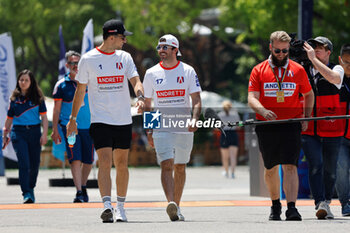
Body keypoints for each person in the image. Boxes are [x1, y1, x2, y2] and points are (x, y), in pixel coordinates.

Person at [66, 19, 144, 223]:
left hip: (123, 119)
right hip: (100, 120)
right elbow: (80, 90)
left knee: (122, 164)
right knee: (105, 162)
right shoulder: (88, 59)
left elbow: (135, 80)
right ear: (111, 37)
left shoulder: (125, 57)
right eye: (122, 36)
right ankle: (107, 206)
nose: (125, 40)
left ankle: (121, 207)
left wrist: (141, 96)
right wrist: (72, 119)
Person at [248, 31, 314, 221]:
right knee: (270, 167)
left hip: (291, 124)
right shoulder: (258, 70)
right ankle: (275, 205)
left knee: (290, 166)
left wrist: (306, 117)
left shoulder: (297, 70)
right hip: (266, 125)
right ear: (271, 47)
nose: (281, 54)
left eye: (285, 51)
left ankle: (292, 208)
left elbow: (309, 95)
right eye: (277, 50)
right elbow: (251, 98)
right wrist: (263, 110)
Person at [143, 34, 202, 221]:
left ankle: (177, 205)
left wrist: (194, 119)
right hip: (162, 127)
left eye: (165, 47)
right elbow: (147, 104)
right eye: (159, 48)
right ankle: (171, 203)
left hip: (183, 127)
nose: (161, 51)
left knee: (181, 167)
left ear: (175, 50)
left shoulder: (188, 71)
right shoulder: (151, 73)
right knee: (166, 164)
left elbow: (197, 100)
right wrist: (149, 130)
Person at [302, 36, 344, 219]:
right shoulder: (303, 69)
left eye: (320, 48)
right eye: (314, 47)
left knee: (330, 169)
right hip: (309, 128)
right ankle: (320, 202)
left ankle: (327, 201)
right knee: (315, 165)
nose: (316, 50)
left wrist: (313, 60)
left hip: (333, 128)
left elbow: (334, 79)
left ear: (329, 52)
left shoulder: (337, 68)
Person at [51, 50, 93, 203]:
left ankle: (83, 184)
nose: (76, 66)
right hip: (70, 128)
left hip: (90, 127)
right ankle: (79, 191)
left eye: (78, 63)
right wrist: (55, 129)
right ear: (67, 65)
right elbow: (56, 109)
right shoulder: (61, 85)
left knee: (88, 160)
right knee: (75, 158)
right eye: (72, 63)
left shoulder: (90, 81)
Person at [2, 69, 48, 203]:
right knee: (24, 163)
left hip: (34, 132)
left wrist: (44, 134)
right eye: (21, 80)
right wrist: (5, 133)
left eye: (26, 80)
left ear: (31, 82)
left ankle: (31, 187)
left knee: (35, 164)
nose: (23, 82)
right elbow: (9, 119)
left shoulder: (38, 98)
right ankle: (26, 193)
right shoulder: (14, 99)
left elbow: (44, 118)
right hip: (18, 133)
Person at [336, 43, 350, 216]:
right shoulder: (334, 78)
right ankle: (345, 203)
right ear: (340, 60)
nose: (349, 66)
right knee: (341, 168)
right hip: (339, 134)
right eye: (346, 62)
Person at [218, 100, 240, 178]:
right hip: (233, 134)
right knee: (233, 156)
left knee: (225, 156)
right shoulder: (235, 114)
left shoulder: (220, 115)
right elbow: (238, 126)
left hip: (224, 135)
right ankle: (233, 173)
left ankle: (226, 171)